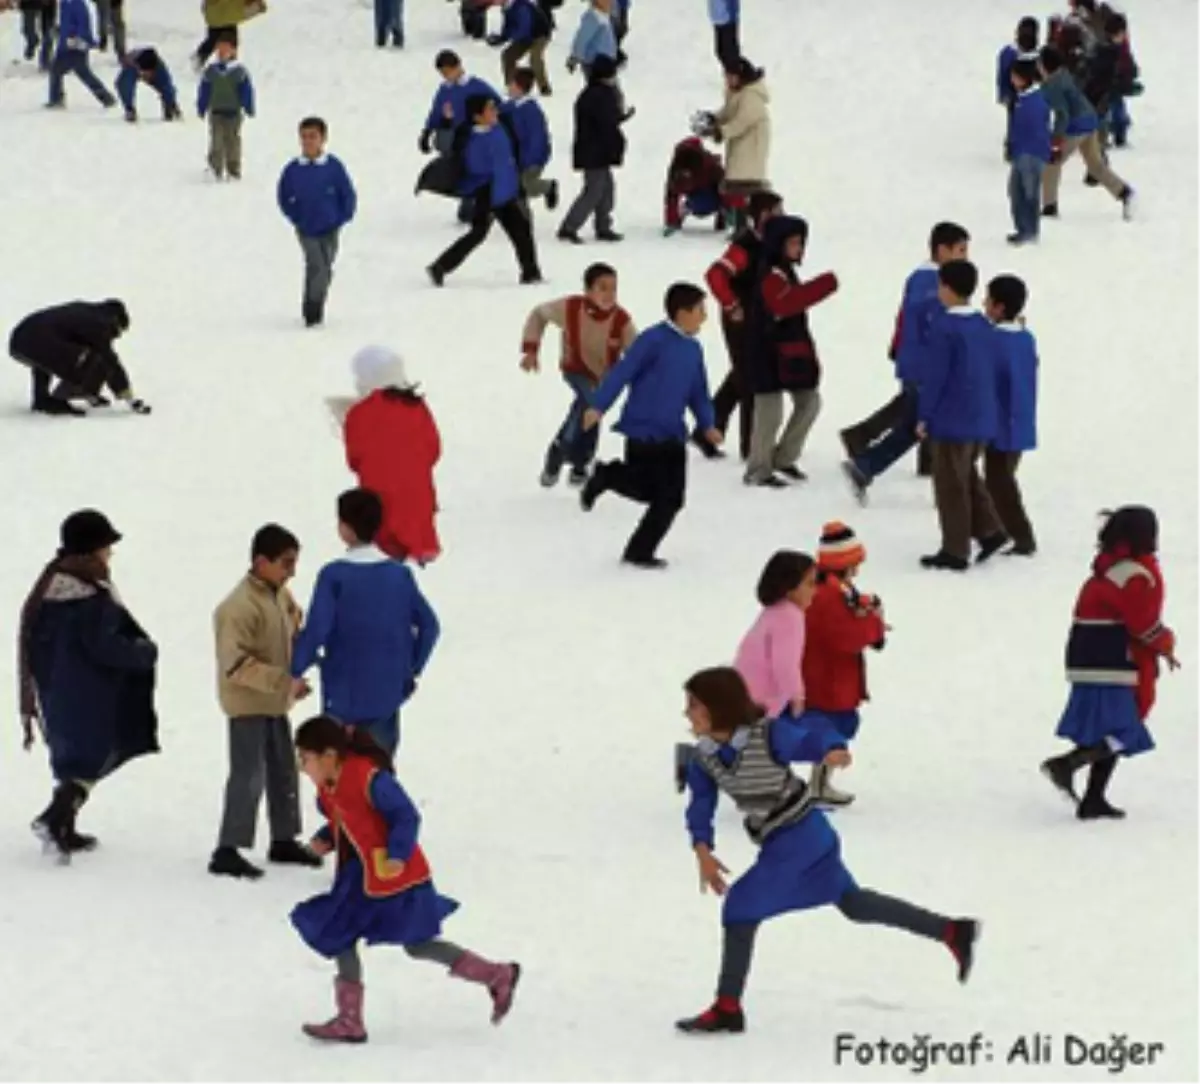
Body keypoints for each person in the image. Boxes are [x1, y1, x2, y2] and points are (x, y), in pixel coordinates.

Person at [675, 667, 979, 1034]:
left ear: (718, 708)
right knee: (854, 903)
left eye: (694, 705)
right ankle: (951, 931)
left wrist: (832, 748)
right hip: (788, 839)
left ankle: (727, 1007)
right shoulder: (703, 758)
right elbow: (700, 806)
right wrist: (702, 850)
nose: (686, 713)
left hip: (801, 838)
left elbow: (808, 739)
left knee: (740, 907)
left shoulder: (767, 734)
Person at [292, 715, 520, 1042]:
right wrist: (327, 839)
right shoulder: (329, 786)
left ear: (329, 756)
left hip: (395, 879)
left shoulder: (370, 778)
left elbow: (405, 815)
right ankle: (349, 1019)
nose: (303, 767)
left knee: (418, 944)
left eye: (306, 759)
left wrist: (397, 855)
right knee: (338, 932)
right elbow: (349, 818)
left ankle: (497, 975)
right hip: (360, 878)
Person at [18, 510, 158, 862]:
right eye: (107, 546)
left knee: (73, 761)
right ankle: (53, 820)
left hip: (56, 691)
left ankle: (63, 824)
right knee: (90, 760)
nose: (110, 554)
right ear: (92, 549)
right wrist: (143, 652)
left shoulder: (51, 584)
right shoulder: (89, 595)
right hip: (90, 694)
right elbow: (103, 646)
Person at [1041, 507, 1178, 820]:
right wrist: (1165, 642)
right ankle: (1068, 764)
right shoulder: (1136, 574)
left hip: (1087, 656)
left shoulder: (1108, 569)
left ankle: (1093, 797)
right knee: (1125, 729)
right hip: (1114, 660)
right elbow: (1141, 623)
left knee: (1110, 729)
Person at [579, 283, 719, 569]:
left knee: (672, 499)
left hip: (672, 434)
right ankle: (608, 476)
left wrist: (708, 424)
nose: (704, 317)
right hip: (643, 429)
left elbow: (698, 391)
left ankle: (639, 551)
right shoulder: (653, 340)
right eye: (700, 310)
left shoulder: (693, 349)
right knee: (646, 489)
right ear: (682, 313)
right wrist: (598, 405)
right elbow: (623, 372)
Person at [291, 489, 440, 758]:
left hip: (343, 694)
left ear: (345, 528)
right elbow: (429, 626)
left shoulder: (333, 576)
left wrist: (294, 669)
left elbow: (317, 631)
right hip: (387, 691)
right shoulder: (399, 575)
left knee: (341, 779)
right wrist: (411, 668)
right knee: (378, 775)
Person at [210, 524, 318, 880]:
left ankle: (283, 838)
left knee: (284, 769)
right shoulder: (237, 608)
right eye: (286, 563)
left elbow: (295, 622)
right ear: (261, 561)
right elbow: (235, 665)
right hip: (247, 705)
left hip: (274, 703)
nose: (292, 571)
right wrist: (283, 681)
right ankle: (229, 847)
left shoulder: (279, 595)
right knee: (248, 775)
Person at [839, 222, 971, 502]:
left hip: (913, 361)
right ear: (942, 249)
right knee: (917, 424)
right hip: (925, 366)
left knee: (914, 422)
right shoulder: (932, 282)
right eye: (961, 250)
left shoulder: (918, 277)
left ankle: (867, 460)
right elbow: (935, 324)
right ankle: (865, 465)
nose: (965, 257)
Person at [916, 260, 1007, 571]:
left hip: (951, 419)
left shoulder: (945, 327)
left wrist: (924, 415)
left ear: (948, 288)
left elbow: (936, 376)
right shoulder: (983, 325)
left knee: (950, 485)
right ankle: (990, 530)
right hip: (980, 417)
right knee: (967, 475)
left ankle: (955, 549)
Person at [520, 262, 636, 486]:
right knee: (592, 403)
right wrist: (531, 350)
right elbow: (538, 315)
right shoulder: (571, 308)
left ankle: (575, 459)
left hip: (604, 377)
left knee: (591, 409)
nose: (609, 294)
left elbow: (636, 352)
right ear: (588, 290)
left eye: (613, 288)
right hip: (576, 370)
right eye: (602, 288)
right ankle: (566, 451)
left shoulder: (621, 320)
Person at [743, 215, 837, 488]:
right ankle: (758, 468)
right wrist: (823, 285)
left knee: (809, 403)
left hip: (789, 353)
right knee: (769, 412)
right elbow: (784, 305)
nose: (799, 248)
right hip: (765, 353)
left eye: (800, 242)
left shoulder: (782, 270)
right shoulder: (770, 273)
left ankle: (784, 458)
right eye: (794, 242)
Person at [328, 347, 443, 565]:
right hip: (420, 501)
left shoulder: (359, 414)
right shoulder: (417, 407)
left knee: (382, 552)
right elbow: (434, 450)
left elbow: (354, 460)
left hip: (378, 503)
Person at [801, 523, 887, 806]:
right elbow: (846, 638)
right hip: (829, 679)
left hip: (827, 675)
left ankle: (819, 782)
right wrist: (873, 623)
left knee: (832, 728)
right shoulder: (829, 596)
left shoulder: (830, 589)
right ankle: (818, 786)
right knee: (834, 728)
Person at [426, 95, 542, 286]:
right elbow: (478, 169)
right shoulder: (474, 142)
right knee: (478, 234)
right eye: (489, 109)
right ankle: (440, 267)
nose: (495, 111)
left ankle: (531, 273)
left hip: (505, 191)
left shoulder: (500, 128)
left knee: (521, 231)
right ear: (477, 117)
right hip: (487, 194)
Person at [704, 190, 784, 460]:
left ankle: (709, 427)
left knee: (742, 373)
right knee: (750, 378)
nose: (781, 217)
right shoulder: (745, 246)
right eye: (776, 212)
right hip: (739, 319)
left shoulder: (771, 244)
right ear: (762, 215)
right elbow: (715, 275)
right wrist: (731, 305)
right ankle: (751, 447)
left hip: (757, 318)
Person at [276, 116, 358, 327]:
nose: (308, 141)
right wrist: (296, 216)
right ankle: (312, 311)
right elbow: (284, 196)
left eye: (313, 137)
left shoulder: (333, 167)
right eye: (304, 137)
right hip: (306, 228)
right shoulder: (293, 169)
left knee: (325, 267)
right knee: (317, 265)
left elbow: (347, 193)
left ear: (323, 139)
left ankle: (315, 301)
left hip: (331, 227)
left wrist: (343, 215)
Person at [9, 299, 151, 417]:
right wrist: (127, 394)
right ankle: (61, 398)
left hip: (18, 341)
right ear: (115, 320)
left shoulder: (84, 311)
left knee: (50, 356)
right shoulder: (100, 323)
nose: (116, 336)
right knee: (93, 359)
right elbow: (109, 360)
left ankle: (42, 399)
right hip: (37, 341)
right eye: (118, 331)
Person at [1038, 45, 1134, 220]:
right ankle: (1123, 191)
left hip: (1076, 126)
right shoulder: (1066, 75)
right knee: (1095, 166)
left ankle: (1049, 205)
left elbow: (1062, 114)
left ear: (1044, 66)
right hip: (1091, 121)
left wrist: (1056, 140)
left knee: (1051, 163)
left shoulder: (1052, 85)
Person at [983, 275, 1038, 556]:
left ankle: (1019, 534)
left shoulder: (993, 342)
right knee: (1001, 477)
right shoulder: (1026, 338)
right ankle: (1001, 527)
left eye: (988, 300)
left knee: (999, 480)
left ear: (999, 307)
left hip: (1001, 423)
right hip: (1021, 418)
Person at [418, 50, 500, 224]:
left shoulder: (476, 86)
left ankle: (475, 207)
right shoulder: (445, 89)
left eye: (447, 72)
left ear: (457, 67)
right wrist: (427, 131)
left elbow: (496, 106)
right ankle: (468, 206)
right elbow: (436, 111)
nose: (445, 77)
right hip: (454, 138)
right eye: (442, 74)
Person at [693, 58, 770, 234]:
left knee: (746, 189)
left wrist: (719, 132)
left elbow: (741, 122)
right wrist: (713, 119)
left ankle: (752, 226)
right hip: (741, 148)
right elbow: (727, 113)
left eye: (730, 76)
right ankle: (741, 227)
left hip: (751, 149)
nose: (727, 80)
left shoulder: (751, 96)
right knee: (737, 190)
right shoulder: (737, 94)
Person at [557, 54, 627, 244]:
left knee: (606, 189)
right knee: (594, 191)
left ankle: (603, 226)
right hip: (596, 151)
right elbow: (605, 124)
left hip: (595, 151)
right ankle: (570, 226)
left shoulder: (593, 93)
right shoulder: (600, 95)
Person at [198, 34, 256, 181]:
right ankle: (214, 168)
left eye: (226, 49)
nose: (222, 52)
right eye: (219, 49)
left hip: (233, 112)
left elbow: (246, 90)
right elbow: (204, 89)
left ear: (233, 51)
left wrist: (248, 106)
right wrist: (202, 105)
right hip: (216, 111)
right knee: (216, 140)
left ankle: (233, 169)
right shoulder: (211, 71)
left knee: (232, 141)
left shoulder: (239, 71)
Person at [1006, 58, 1051, 245]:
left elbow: (1036, 130)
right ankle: (1022, 228)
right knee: (1016, 191)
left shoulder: (1034, 102)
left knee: (1028, 192)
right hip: (1022, 152)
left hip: (1031, 153)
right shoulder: (1022, 99)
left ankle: (1029, 230)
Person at [501, 68, 558, 210]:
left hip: (531, 158)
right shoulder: (512, 105)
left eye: (511, 84)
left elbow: (537, 138)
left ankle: (548, 187)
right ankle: (522, 223)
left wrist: (531, 161)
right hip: (517, 157)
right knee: (517, 190)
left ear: (519, 87)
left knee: (525, 185)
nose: (508, 87)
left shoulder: (531, 111)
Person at [47, 0, 116, 110]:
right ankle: (105, 97)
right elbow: (64, 21)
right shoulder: (65, 3)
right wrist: (59, 31)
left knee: (74, 71)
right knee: (68, 70)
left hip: (76, 44)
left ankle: (56, 99)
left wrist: (82, 40)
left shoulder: (80, 4)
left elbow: (85, 24)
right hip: (66, 43)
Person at [662, 136, 728, 237]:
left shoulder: (710, 167)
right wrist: (672, 222)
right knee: (700, 205)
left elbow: (725, 188)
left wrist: (724, 216)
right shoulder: (675, 170)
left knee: (707, 204)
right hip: (697, 187)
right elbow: (671, 197)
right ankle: (687, 207)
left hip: (710, 189)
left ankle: (692, 206)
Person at [996, 16, 1039, 159]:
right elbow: (1003, 73)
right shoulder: (1011, 52)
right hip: (1017, 91)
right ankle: (1013, 145)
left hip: (1024, 92)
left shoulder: (1011, 51)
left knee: (1017, 118)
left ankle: (1015, 145)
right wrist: (1004, 92)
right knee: (1015, 119)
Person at [488, 0, 551, 93]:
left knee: (535, 58)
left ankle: (544, 88)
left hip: (539, 35)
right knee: (508, 55)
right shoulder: (507, 8)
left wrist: (509, 37)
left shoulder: (520, 7)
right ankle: (512, 85)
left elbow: (523, 28)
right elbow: (508, 26)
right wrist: (501, 38)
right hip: (525, 37)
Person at [114, 46, 181, 124]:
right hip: (133, 66)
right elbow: (122, 85)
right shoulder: (130, 63)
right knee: (124, 84)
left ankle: (170, 105)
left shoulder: (159, 66)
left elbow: (167, 85)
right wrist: (129, 106)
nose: (146, 76)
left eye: (149, 73)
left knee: (166, 86)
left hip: (154, 66)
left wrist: (169, 102)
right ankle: (130, 110)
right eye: (145, 73)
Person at [567, 0, 617, 78]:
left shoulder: (604, 17)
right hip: (595, 63)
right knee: (600, 88)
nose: (611, 3)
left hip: (605, 63)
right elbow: (582, 38)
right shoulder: (593, 17)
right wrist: (575, 57)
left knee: (606, 88)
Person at [19, 0, 56, 71]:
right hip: (29, 4)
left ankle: (45, 60)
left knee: (48, 32)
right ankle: (32, 41)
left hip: (48, 5)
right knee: (28, 29)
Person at [709, 0, 740, 71]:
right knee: (722, 52)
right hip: (719, 19)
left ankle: (737, 75)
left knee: (728, 53)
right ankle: (737, 74)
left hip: (727, 19)